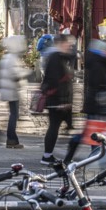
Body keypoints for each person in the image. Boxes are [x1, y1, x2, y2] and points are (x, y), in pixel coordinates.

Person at [40, 34, 74, 165]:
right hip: (56, 100)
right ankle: (47, 155)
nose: (70, 46)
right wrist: (61, 101)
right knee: (54, 127)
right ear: (60, 44)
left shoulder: (61, 57)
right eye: (68, 43)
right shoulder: (55, 57)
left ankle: (49, 155)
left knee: (56, 126)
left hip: (61, 100)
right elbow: (54, 80)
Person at [0, 36, 31, 149]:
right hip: (11, 90)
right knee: (14, 115)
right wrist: (26, 72)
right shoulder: (12, 58)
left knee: (14, 115)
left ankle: (12, 138)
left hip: (9, 90)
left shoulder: (8, 56)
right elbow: (14, 74)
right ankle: (11, 139)